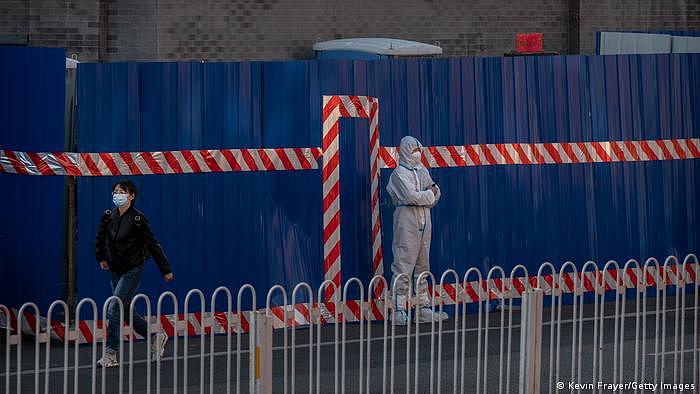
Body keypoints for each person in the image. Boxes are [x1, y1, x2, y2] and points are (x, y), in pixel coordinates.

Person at [95, 179, 174, 367]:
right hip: (115, 268)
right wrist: (102, 258)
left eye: (121, 192)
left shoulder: (138, 219)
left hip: (133, 268)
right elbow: (100, 238)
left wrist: (165, 269)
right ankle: (155, 336)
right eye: (115, 192)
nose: (117, 195)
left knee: (114, 307)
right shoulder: (109, 216)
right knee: (124, 311)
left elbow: (153, 244)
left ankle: (111, 352)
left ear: (131, 196)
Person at [386, 136, 448, 325]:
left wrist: (427, 196)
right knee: (404, 263)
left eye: (418, 149)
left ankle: (423, 308)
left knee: (422, 264)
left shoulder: (422, 171)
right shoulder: (398, 174)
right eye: (414, 150)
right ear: (405, 151)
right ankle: (398, 310)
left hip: (424, 219)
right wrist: (428, 195)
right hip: (407, 220)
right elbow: (410, 195)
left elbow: (435, 193)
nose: (417, 153)